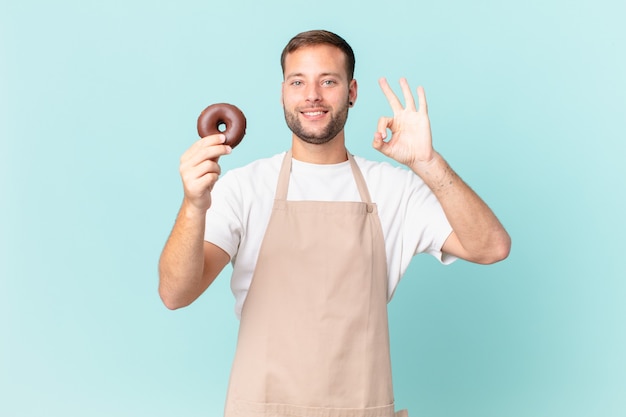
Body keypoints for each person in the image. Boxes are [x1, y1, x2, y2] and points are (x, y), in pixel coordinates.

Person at [158, 30, 510, 417]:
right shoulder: (244, 187)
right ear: (283, 93)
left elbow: (491, 247)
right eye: (298, 82)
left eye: (328, 81)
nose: (312, 95)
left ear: (352, 92)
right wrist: (194, 204)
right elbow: (176, 294)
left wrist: (429, 164)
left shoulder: (392, 189)